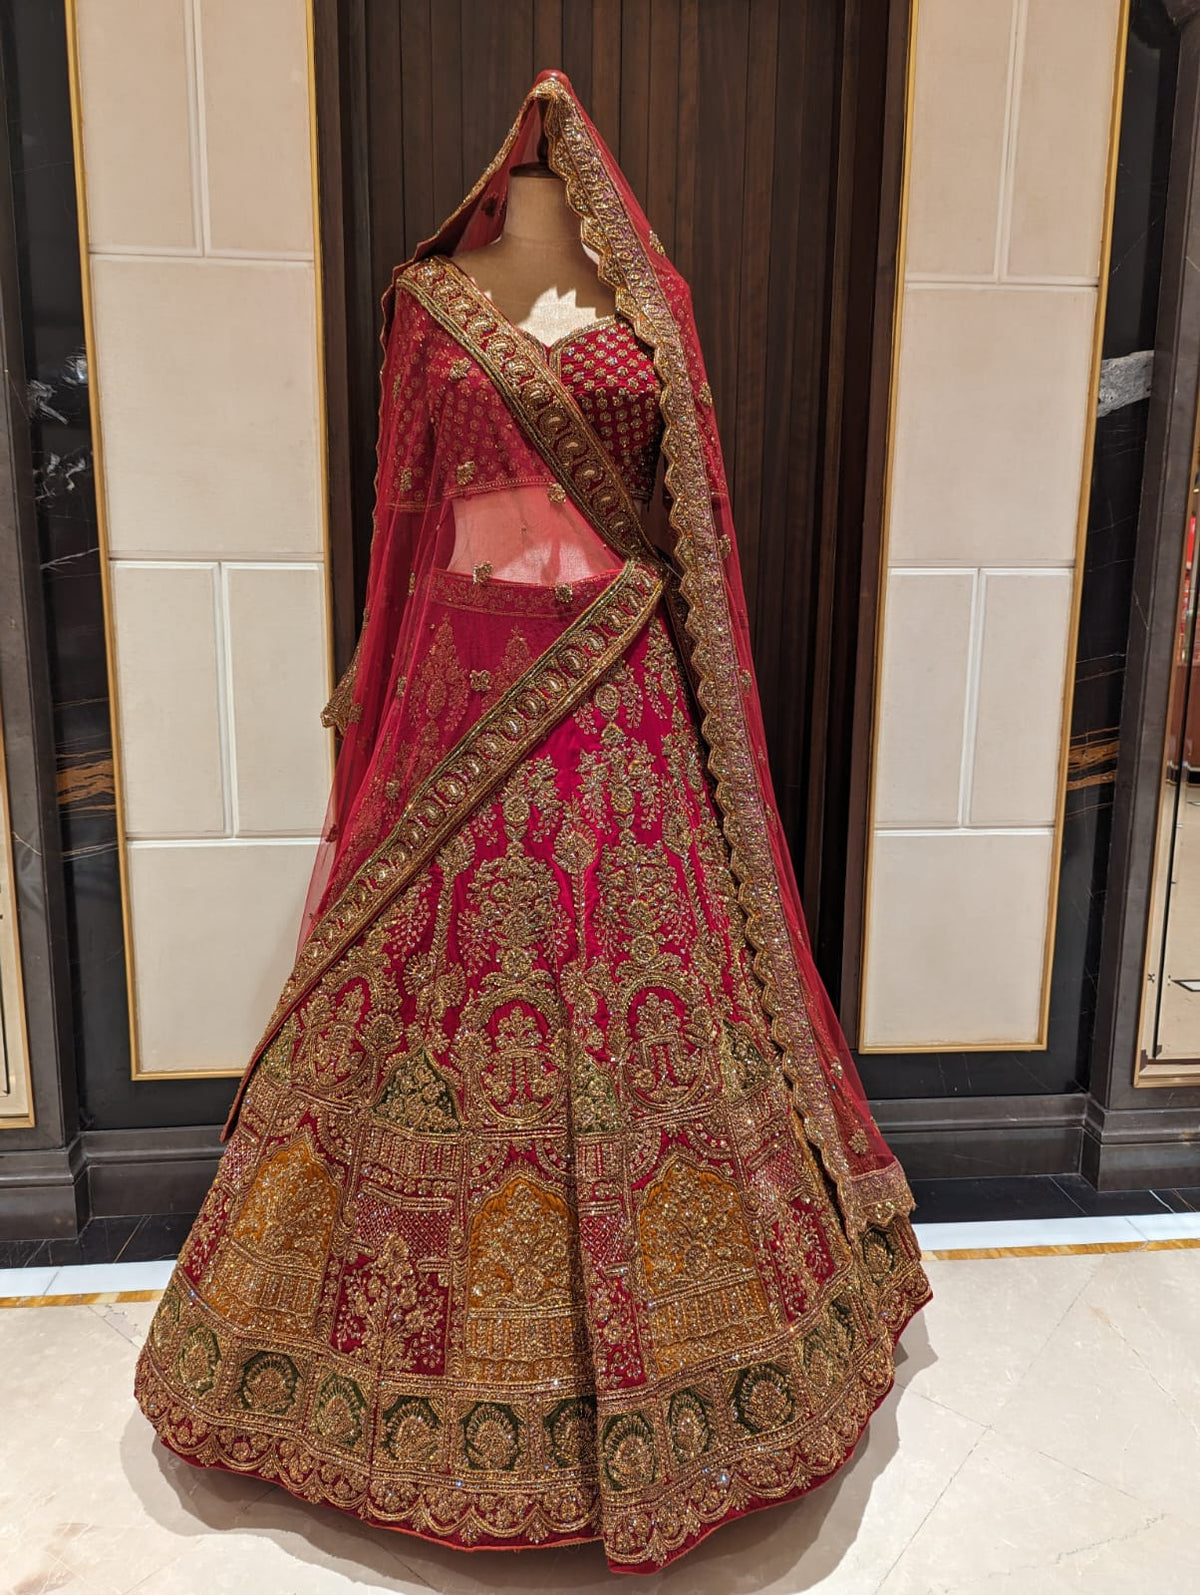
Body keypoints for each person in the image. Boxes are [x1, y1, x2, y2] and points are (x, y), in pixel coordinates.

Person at [134, 69, 932, 1574]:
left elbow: (693, 528)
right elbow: (406, 528)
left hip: (629, 711)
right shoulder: (428, 301)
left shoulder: (654, 304)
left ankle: (725, 1373)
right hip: (469, 704)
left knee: (650, 1008)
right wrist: (377, 691)